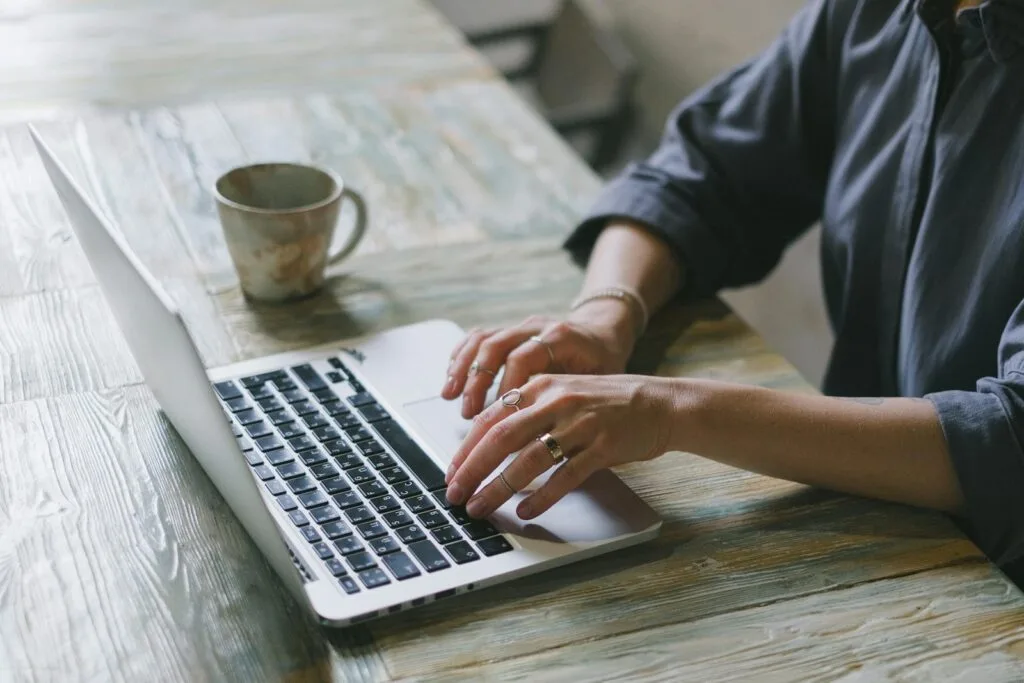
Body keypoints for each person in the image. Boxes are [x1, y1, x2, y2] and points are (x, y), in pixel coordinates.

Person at [440, 0, 1024, 584]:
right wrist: (607, 312)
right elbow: (701, 175)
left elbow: (1008, 442)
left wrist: (668, 410)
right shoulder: (873, 13)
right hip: (868, 524)